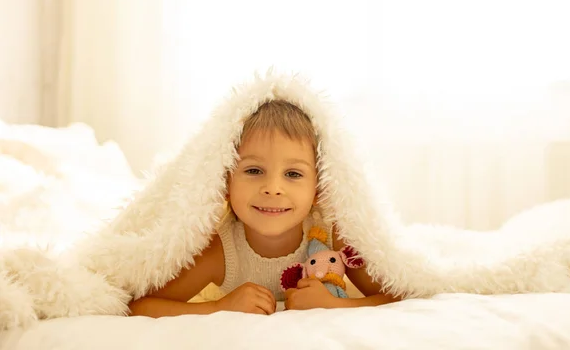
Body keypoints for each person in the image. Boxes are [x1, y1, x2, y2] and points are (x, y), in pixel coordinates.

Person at [128, 100, 399, 317]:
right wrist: (219, 307)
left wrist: (332, 305)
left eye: (293, 174)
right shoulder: (220, 251)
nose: (273, 188)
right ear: (224, 182)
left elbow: (397, 296)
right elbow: (141, 306)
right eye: (254, 170)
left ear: (318, 189)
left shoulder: (332, 235)